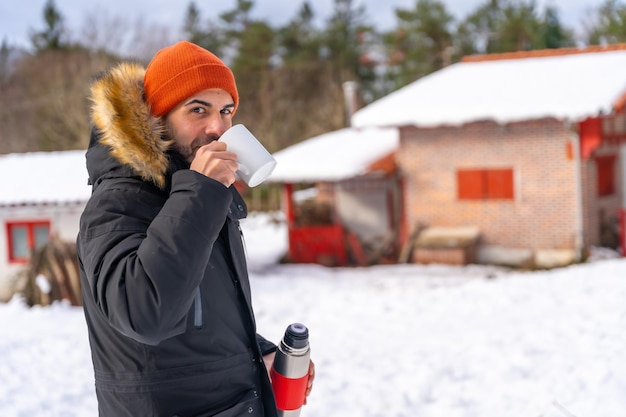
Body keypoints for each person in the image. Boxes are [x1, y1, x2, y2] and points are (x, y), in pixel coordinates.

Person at [77, 41, 314, 417]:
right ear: (157, 117)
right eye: (198, 109)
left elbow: (196, 314)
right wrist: (201, 194)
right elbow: (144, 313)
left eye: (226, 110)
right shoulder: (118, 201)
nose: (217, 127)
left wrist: (258, 353)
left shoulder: (195, 191)